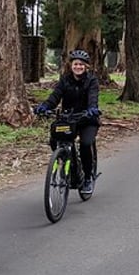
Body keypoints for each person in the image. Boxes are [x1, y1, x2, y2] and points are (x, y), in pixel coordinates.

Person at [34, 49, 100, 194]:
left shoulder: (91, 81)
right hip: (68, 119)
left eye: (81, 64)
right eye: (76, 64)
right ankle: (67, 164)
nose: (78, 67)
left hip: (87, 119)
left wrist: (92, 109)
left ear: (86, 66)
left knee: (85, 144)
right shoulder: (65, 80)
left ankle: (87, 178)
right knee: (55, 140)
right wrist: (45, 107)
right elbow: (55, 96)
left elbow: (93, 97)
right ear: (71, 65)